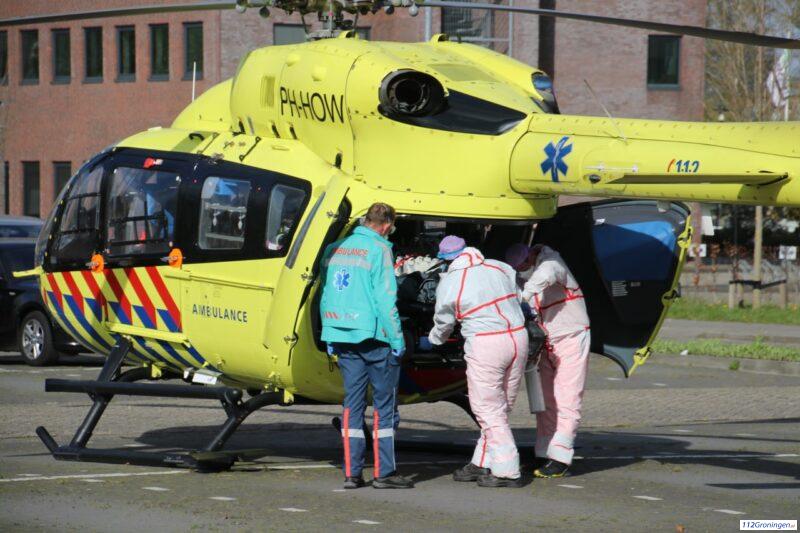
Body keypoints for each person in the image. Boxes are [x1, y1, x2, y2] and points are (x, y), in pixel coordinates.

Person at [320, 202, 413, 490]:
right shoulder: (380, 249)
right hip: (374, 338)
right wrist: (397, 340)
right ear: (386, 225)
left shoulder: (335, 248)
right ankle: (384, 473)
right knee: (384, 407)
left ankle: (352, 473)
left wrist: (329, 334)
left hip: (341, 334)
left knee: (352, 404)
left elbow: (326, 292)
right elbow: (385, 299)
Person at [428, 235, 529, 488]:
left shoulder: (451, 281)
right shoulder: (499, 266)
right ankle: (482, 460)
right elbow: (520, 295)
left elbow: (443, 322)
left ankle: (507, 470)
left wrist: (434, 340)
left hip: (486, 342)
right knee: (501, 406)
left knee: (487, 409)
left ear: (446, 260)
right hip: (518, 337)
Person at [505, 243, 591, 479]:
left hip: (571, 337)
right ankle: (544, 452)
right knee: (545, 402)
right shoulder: (528, 273)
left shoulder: (552, 263)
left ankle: (561, 456)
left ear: (531, 255)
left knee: (567, 398)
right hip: (547, 341)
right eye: (517, 267)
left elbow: (544, 277)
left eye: (522, 264)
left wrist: (523, 296)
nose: (520, 269)